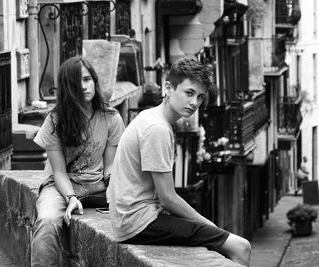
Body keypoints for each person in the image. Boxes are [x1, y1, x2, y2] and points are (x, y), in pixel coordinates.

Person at [107, 57, 251, 266]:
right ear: (168, 88)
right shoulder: (157, 129)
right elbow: (168, 198)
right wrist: (210, 225)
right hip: (139, 223)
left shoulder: (152, 117)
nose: (194, 102)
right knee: (241, 246)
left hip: (132, 220)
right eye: (189, 93)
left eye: (200, 97)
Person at [31, 56, 125, 266]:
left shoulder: (111, 118)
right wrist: (71, 196)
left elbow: (109, 166)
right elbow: (59, 172)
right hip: (61, 186)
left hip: (97, 187)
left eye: (87, 79)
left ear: (94, 81)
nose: (83, 86)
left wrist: (114, 185)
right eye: (77, 82)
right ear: (67, 87)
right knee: (46, 221)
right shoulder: (55, 120)